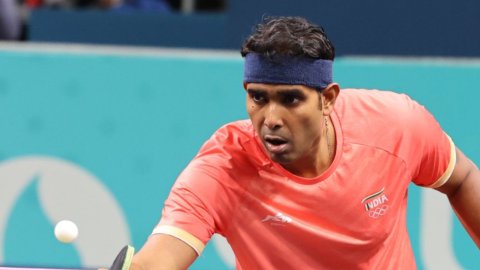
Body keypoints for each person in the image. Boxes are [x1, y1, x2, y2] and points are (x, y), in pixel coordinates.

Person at [115, 16, 480, 269]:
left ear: (328, 99)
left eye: (290, 99)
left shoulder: (395, 125)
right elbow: (164, 255)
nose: (271, 118)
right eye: (258, 98)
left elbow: (460, 178)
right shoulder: (222, 167)